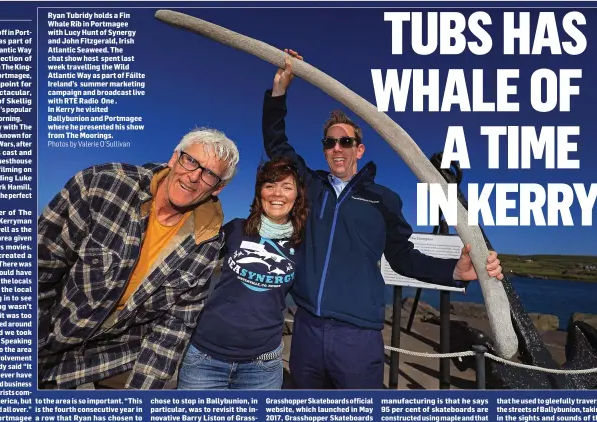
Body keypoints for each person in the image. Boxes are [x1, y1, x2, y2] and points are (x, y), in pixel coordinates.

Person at [262, 50, 503, 390]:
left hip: (357, 338)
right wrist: (279, 91)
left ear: (359, 149)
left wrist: (454, 270)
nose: (337, 148)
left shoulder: (383, 199)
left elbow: (403, 257)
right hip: (306, 330)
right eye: (330, 142)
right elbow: (277, 144)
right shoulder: (310, 186)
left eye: (346, 141)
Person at [38, 129, 239, 390]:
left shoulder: (207, 243)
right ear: (174, 157)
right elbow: (42, 264)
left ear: (219, 188)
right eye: (191, 161)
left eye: (210, 174)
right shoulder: (102, 184)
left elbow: (174, 327)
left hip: (117, 354)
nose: (194, 177)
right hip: (53, 333)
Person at [178, 157, 307, 389]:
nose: (277, 193)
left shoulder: (303, 244)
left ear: (297, 196)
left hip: (262, 367)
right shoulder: (236, 229)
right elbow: (191, 262)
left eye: (287, 187)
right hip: (204, 359)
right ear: (260, 193)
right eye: (269, 186)